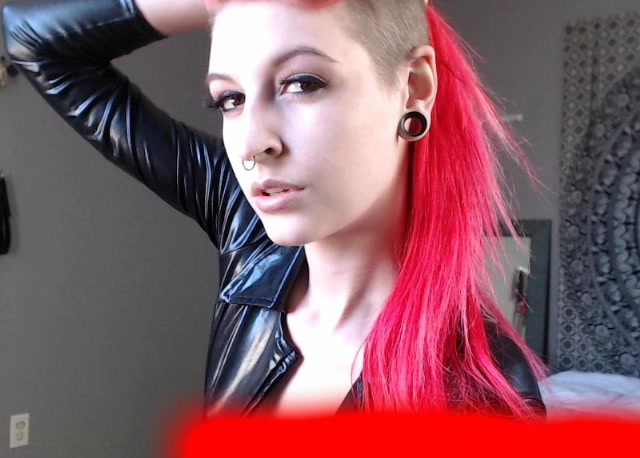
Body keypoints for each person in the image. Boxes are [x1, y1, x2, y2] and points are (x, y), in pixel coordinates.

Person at [2, 0, 547, 418]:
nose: (251, 143)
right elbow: (31, 41)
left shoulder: (483, 397)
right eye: (230, 99)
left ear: (414, 87)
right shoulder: (249, 237)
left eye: (301, 83)